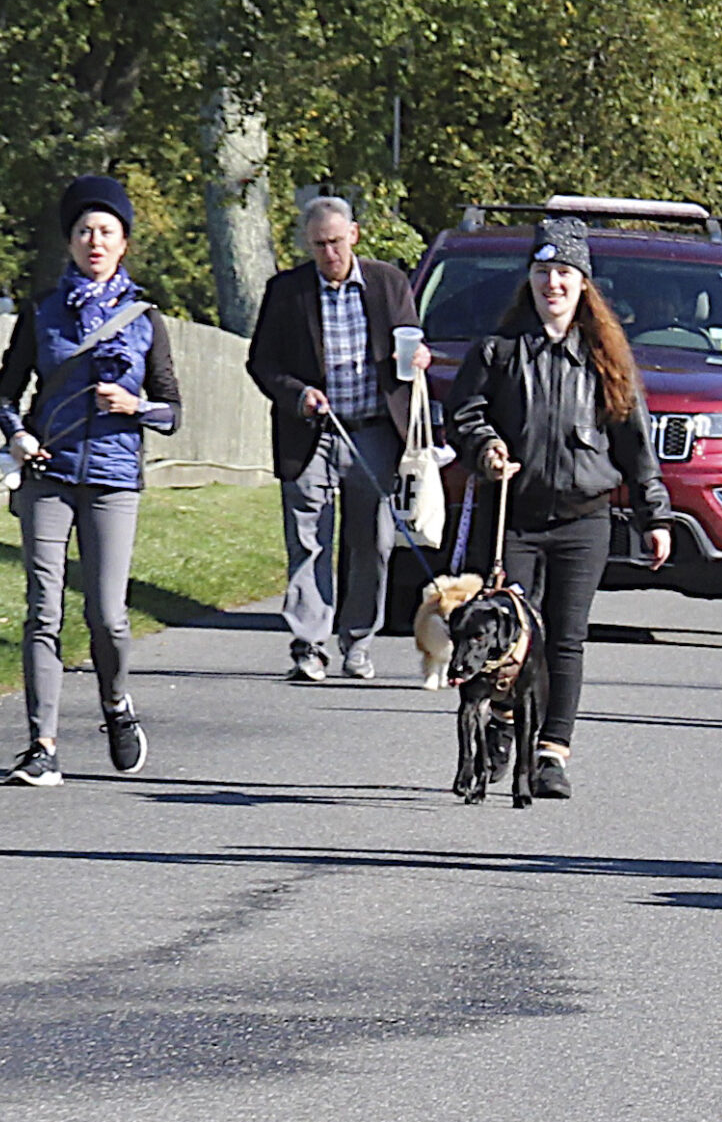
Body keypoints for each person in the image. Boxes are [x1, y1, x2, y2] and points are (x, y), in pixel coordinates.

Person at [444, 216, 673, 800]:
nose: (554, 284)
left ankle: (551, 753)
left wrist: (655, 516)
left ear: (583, 284)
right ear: (531, 279)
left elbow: (635, 443)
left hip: (584, 518)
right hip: (512, 517)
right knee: (505, 635)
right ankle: (501, 725)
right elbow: (465, 413)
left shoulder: (606, 360)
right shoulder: (499, 351)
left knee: (565, 637)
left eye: (565, 274)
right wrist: (486, 446)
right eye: (544, 272)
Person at [0, 174, 180, 786]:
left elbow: (172, 410)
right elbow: (4, 394)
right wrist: (18, 434)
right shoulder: (42, 311)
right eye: (83, 232)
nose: (94, 241)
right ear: (70, 242)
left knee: (107, 615)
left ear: (123, 243)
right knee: (42, 610)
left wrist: (134, 406)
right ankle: (41, 745)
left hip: (112, 479)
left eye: (106, 232)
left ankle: (115, 705)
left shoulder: (146, 319)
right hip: (47, 475)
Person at [247, 194, 425, 682]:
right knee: (309, 538)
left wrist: (419, 357)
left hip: (373, 431)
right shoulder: (287, 292)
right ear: (308, 245)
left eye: (336, 242)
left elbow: (410, 344)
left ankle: (359, 641)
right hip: (311, 434)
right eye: (319, 245)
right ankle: (309, 644)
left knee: (373, 541)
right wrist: (298, 393)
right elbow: (261, 363)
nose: (329, 253)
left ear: (355, 236)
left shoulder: (389, 283)